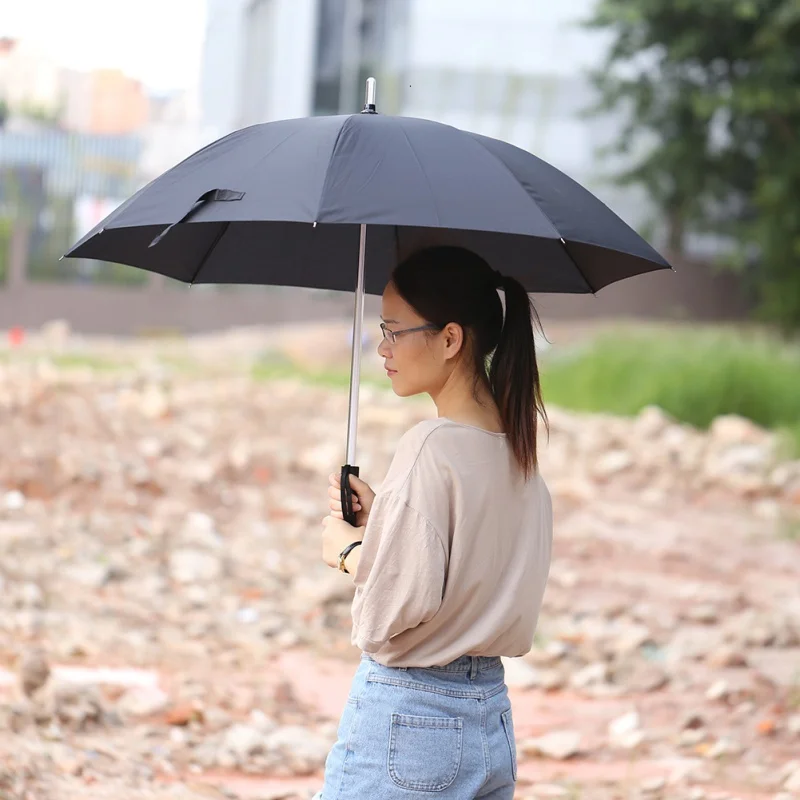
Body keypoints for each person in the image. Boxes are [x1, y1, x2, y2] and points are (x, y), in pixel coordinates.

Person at [317, 245, 553, 799]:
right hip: (490, 717)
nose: (382, 347)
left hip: (413, 717)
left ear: (450, 339)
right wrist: (388, 522)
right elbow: (471, 569)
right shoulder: (518, 452)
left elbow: (386, 617)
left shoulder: (430, 445)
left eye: (394, 330)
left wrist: (350, 552)